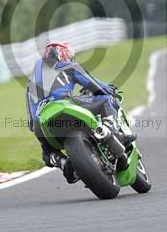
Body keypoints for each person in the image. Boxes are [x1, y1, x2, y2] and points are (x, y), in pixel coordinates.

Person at [25, 41, 131, 183]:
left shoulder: (30, 83)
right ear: (61, 54)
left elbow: (31, 123)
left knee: (47, 151)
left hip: (41, 121)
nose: (69, 58)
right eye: (68, 55)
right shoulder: (68, 67)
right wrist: (109, 90)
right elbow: (95, 86)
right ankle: (114, 132)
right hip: (63, 105)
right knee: (104, 98)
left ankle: (62, 162)